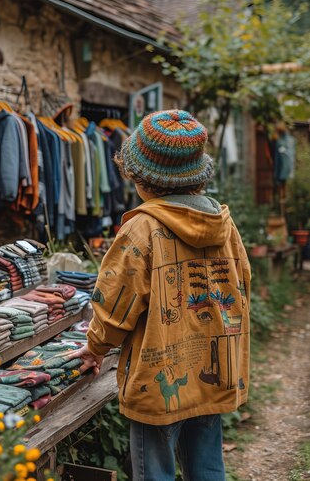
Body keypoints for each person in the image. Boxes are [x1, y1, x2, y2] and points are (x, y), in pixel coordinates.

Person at [71, 110, 251, 481]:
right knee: (208, 467)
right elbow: (242, 285)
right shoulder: (223, 223)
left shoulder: (142, 228)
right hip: (214, 371)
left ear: (142, 179)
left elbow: (114, 306)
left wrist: (94, 348)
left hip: (158, 378)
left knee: (155, 472)